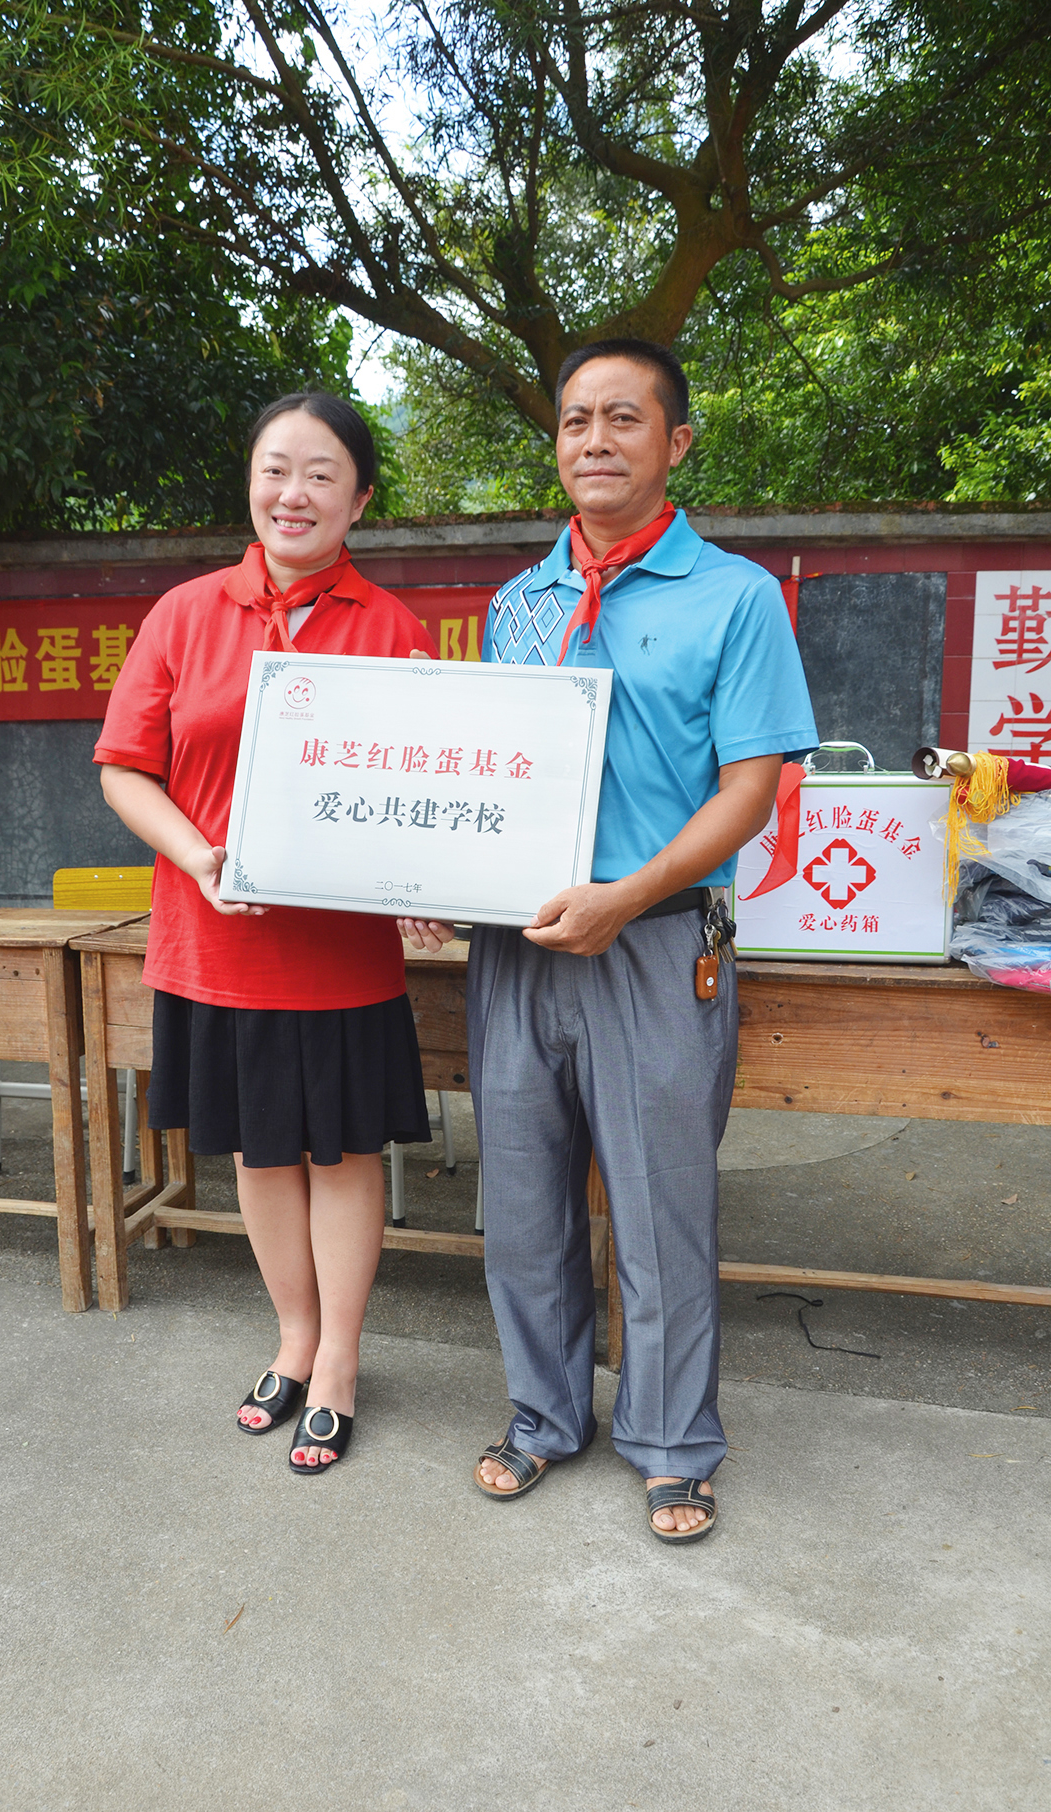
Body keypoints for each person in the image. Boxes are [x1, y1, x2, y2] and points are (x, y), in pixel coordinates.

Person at [402, 340, 817, 1541]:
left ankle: (674, 1444)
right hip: (520, 948)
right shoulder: (518, 603)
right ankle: (542, 1416)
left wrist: (626, 896)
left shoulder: (736, 598)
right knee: (524, 1199)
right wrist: (442, 881)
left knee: (660, 1206)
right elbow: (490, 780)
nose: (595, 439)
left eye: (624, 418)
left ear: (675, 442)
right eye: (576, 418)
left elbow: (749, 791)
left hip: (656, 946)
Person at [96, 391, 436, 1476]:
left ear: (360, 499)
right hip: (215, 944)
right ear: (250, 483)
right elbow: (125, 769)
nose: (294, 493)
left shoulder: (393, 630)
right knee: (260, 1149)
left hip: (340, 956)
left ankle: (339, 1361)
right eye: (275, 469)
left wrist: (422, 876)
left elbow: (425, 784)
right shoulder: (184, 614)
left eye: (321, 474)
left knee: (342, 1152)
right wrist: (199, 857)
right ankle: (292, 1339)